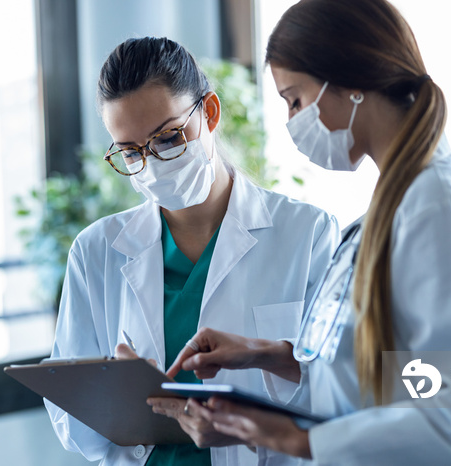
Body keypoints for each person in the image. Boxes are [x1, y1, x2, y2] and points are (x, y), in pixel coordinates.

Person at [158, 1, 451, 465]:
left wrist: (298, 440)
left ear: (350, 83)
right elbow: (399, 376)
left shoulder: (439, 213)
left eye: (295, 99)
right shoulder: (393, 210)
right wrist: (271, 355)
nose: (293, 121)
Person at [43, 36, 339, 466]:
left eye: (167, 138)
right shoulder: (96, 251)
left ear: (210, 112)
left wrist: (253, 411)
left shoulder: (308, 234)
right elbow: (71, 423)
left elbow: (344, 390)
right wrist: (112, 388)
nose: (153, 163)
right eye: (131, 152)